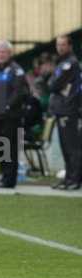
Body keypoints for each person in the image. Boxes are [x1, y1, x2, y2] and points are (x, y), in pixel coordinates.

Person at [0, 40, 29, 188]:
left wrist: (8, 107)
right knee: (0, 147)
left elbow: (19, 92)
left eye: (4, 52)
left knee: (10, 148)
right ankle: (4, 177)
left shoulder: (16, 70)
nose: (1, 54)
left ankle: (9, 180)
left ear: (10, 53)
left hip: (10, 116)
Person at [49, 35, 82, 190]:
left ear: (70, 46)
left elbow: (54, 84)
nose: (60, 47)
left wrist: (53, 84)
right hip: (61, 109)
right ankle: (69, 178)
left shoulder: (71, 63)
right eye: (58, 44)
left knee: (72, 147)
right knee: (65, 147)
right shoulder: (62, 62)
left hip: (68, 109)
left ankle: (75, 180)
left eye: (63, 44)